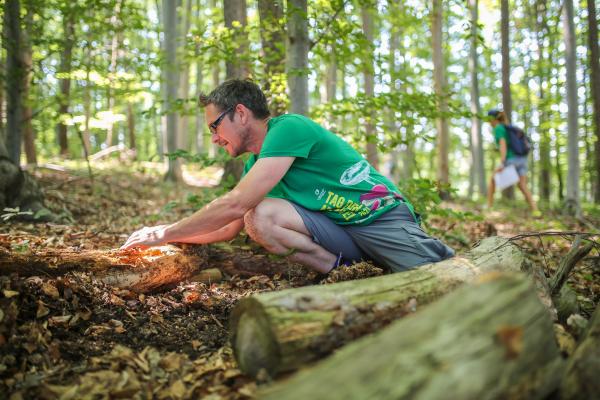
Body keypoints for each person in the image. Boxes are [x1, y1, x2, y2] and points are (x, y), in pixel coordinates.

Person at [122, 79, 454, 274]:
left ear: (240, 113)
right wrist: (169, 238)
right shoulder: (258, 166)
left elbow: (234, 203)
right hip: (342, 232)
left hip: (379, 218)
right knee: (260, 215)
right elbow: (228, 227)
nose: (214, 138)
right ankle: (351, 276)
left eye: (215, 126)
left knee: (443, 279)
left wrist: (163, 232)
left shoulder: (289, 128)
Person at [486, 109, 539, 214]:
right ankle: (535, 210)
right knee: (522, 185)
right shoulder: (506, 127)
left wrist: (502, 162)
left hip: (512, 160)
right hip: (522, 159)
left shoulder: (499, 128)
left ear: (492, 119)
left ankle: (489, 207)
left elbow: (503, 145)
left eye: (489, 119)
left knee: (493, 180)